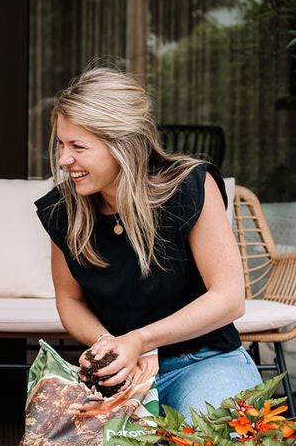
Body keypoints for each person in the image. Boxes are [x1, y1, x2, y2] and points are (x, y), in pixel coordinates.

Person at [34, 67, 261, 415]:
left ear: (122, 145)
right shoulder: (64, 210)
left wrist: (140, 340)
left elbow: (229, 298)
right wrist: (109, 347)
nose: (64, 160)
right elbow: (69, 300)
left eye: (78, 146)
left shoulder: (190, 188)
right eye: (62, 144)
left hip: (201, 362)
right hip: (120, 372)